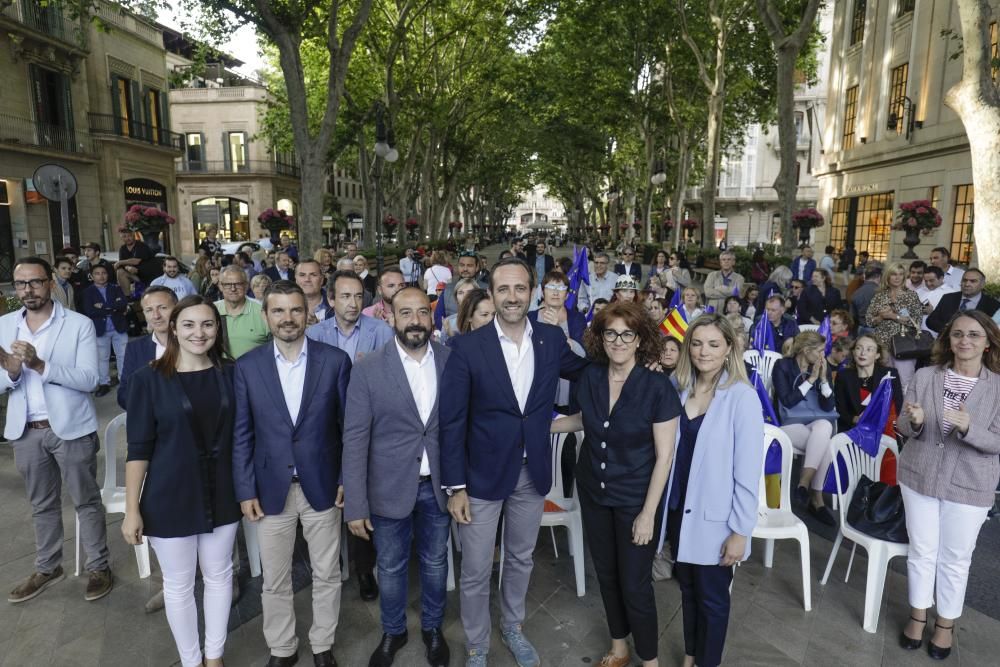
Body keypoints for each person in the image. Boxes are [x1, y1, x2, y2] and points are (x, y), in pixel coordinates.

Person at [440, 257, 589, 666]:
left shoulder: (551, 339)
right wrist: (455, 486)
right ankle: (476, 644)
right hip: (480, 477)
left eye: (519, 289)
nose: (511, 297)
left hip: (531, 472)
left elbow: (589, 373)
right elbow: (451, 422)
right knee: (473, 568)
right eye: (503, 289)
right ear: (491, 294)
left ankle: (513, 626)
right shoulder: (468, 346)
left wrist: (632, 363)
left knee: (521, 557)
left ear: (533, 291)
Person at [549, 302, 680, 667]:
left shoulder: (657, 387)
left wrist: (648, 514)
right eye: (611, 333)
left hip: (635, 499)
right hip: (593, 490)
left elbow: (664, 457)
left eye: (627, 334)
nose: (618, 341)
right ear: (601, 338)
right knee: (606, 574)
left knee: (635, 583)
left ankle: (650, 660)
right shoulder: (592, 376)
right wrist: (544, 426)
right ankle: (619, 645)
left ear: (640, 340)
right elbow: (583, 420)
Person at [232, 281, 352, 667]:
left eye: (295, 310)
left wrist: (347, 479)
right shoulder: (247, 367)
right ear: (265, 316)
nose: (288, 318)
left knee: (327, 573)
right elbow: (242, 433)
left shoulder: (334, 361)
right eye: (278, 311)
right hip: (270, 490)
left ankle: (322, 645)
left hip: (323, 485)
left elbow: (348, 427)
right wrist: (245, 489)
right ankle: (282, 648)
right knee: (274, 578)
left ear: (308, 314)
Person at [121, 295, 240, 667]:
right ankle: (191, 661)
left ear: (217, 328)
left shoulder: (232, 372)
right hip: (168, 496)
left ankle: (214, 656)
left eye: (207, 324)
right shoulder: (148, 379)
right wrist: (131, 510)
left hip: (223, 490)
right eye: (188, 324)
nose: (198, 332)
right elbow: (138, 449)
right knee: (178, 585)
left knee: (220, 576)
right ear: (173, 328)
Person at [342, 288, 452, 667]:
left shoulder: (451, 362)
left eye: (423, 312)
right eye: (406, 313)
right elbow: (354, 438)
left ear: (432, 316)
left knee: (436, 562)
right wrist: (355, 504)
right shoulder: (368, 368)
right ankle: (393, 630)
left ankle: (433, 628)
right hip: (387, 488)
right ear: (390, 317)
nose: (416, 320)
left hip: (439, 487)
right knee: (389, 566)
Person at [2, 258, 112, 604]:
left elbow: (90, 379)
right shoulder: (4, 326)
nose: (27, 290)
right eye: (20, 284)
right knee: (41, 504)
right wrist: (14, 373)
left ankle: (99, 567)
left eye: (34, 282)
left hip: (70, 429)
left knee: (86, 501)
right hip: (26, 432)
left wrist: (38, 365)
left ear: (50, 283)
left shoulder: (77, 324)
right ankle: (49, 567)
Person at [660, 313, 763, 667]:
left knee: (713, 599)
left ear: (729, 348)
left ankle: (708, 662)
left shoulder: (741, 397)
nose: (704, 352)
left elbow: (749, 473)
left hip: (716, 519)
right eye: (697, 343)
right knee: (687, 590)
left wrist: (740, 532)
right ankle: (691, 656)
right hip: (679, 510)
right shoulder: (679, 387)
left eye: (713, 344)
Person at [896, 311, 1000, 660]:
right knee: (922, 551)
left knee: (956, 559)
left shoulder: (998, 386)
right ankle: (917, 615)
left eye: (973, 334)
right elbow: (902, 424)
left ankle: (945, 625)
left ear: (987, 343)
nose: (965, 341)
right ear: (949, 339)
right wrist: (915, 422)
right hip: (919, 475)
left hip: (970, 484)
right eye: (958, 334)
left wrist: (971, 428)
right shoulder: (926, 377)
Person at [307, 270, 393, 601]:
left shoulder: (381, 331)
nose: (353, 303)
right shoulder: (315, 333)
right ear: (331, 299)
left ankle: (363, 569)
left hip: (368, 425)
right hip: (326, 427)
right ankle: (327, 568)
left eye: (358, 296)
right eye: (345, 296)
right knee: (329, 498)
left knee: (361, 495)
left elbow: (389, 379)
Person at [772, 332, 838, 525]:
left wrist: (824, 380)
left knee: (825, 425)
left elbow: (828, 406)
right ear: (805, 350)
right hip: (788, 425)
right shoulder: (782, 366)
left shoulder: (821, 367)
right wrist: (810, 380)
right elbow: (788, 401)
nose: (822, 356)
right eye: (819, 351)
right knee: (825, 443)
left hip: (814, 423)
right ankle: (816, 500)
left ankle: (803, 484)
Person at [118, 286, 177, 410]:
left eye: (163, 308)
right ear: (144, 314)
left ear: (177, 308)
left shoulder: (194, 343)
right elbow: (123, 394)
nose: (156, 316)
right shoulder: (135, 348)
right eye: (149, 310)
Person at [867, 262, 924, 388]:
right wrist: (881, 317)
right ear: (887, 276)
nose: (897, 277)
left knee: (904, 382)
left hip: (904, 345)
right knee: (882, 382)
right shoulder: (879, 296)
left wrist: (893, 316)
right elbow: (869, 321)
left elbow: (917, 322)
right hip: (882, 345)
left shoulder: (911, 296)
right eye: (894, 274)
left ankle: (903, 408)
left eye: (901, 274)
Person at [834, 334, 903, 433]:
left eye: (869, 349)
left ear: (877, 355)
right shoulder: (843, 376)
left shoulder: (890, 374)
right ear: (853, 352)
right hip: (854, 430)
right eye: (858, 348)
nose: (863, 353)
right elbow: (840, 409)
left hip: (884, 429)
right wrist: (856, 419)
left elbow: (898, 405)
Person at [81, 264, 129, 397]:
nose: (101, 276)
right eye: (97, 273)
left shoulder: (116, 288)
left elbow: (122, 304)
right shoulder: (88, 292)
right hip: (100, 329)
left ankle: (124, 381)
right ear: (92, 276)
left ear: (108, 275)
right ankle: (104, 383)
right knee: (102, 358)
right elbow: (89, 311)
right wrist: (113, 308)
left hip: (118, 327)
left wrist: (103, 307)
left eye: (104, 273)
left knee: (123, 355)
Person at [215, 266, 270, 358]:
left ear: (246, 286)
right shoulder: (211, 310)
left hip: (253, 370)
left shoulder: (263, 311)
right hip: (220, 370)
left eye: (238, 284)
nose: (233, 289)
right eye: (228, 284)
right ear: (220, 286)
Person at [926, 268, 1000, 334]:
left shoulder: (993, 305)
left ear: (982, 284)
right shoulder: (948, 298)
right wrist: (948, 330)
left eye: (973, 281)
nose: (967, 284)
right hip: (945, 344)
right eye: (964, 280)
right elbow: (931, 321)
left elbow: (992, 331)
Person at [527, 270, 587, 347]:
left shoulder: (577, 318)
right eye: (551, 287)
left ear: (567, 295)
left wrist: (559, 329)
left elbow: (582, 353)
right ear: (542, 293)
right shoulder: (530, 317)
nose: (555, 293)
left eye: (561, 288)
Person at [442, 252, 486, 317]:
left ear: (477, 267)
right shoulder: (448, 289)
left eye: (469, 265)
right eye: (462, 265)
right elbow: (439, 316)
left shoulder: (486, 289)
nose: (465, 269)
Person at [116, 229, 156, 296]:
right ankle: (127, 298)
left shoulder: (141, 245)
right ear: (121, 238)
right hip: (137, 275)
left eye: (129, 236)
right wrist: (128, 267)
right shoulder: (122, 248)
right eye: (124, 236)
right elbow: (122, 265)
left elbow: (136, 261)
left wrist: (119, 262)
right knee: (120, 271)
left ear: (133, 235)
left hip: (148, 275)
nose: (127, 238)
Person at [920, 266, 958, 337]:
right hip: (917, 335)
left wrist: (932, 312)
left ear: (941, 278)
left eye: (931, 280)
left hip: (938, 337)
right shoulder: (919, 291)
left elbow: (953, 319)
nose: (928, 284)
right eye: (925, 281)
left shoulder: (952, 294)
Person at [442, 278, 480, 342]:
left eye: (470, 292)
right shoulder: (449, 322)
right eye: (460, 292)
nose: (465, 296)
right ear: (456, 299)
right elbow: (442, 348)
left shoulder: (486, 317)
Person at [295, 259, 331, 324]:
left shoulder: (335, 306)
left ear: (322, 279)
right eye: (302, 275)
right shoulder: (285, 305)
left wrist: (318, 328)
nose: (307, 279)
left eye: (313, 275)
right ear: (296, 280)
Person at [851, 263, 882, 332]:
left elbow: (853, 316)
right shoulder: (881, 292)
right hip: (877, 329)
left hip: (861, 328)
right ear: (879, 277)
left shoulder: (856, 292)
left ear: (864, 276)